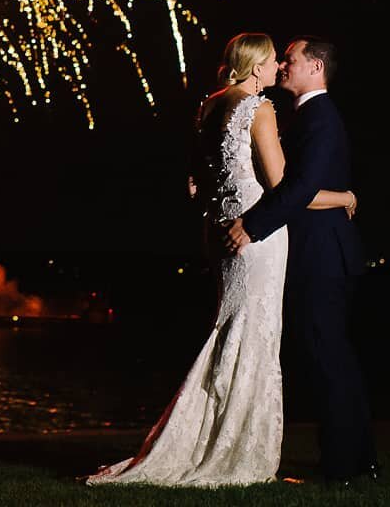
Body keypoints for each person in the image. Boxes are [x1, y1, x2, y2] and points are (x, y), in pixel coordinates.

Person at [87, 33, 355, 488]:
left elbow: (197, 182)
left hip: (219, 232)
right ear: (255, 69)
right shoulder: (259, 109)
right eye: (273, 62)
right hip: (257, 238)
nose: (279, 69)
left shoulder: (208, 106)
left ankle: (211, 436)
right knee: (255, 335)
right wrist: (341, 197)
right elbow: (283, 187)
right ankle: (239, 449)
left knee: (229, 328)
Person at [224, 37, 377, 485]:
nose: (283, 65)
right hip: (323, 253)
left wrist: (252, 225)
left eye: (290, 59)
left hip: (322, 256)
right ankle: (360, 460)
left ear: (314, 67)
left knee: (327, 360)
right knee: (335, 359)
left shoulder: (320, 118)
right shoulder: (305, 116)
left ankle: (340, 469)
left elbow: (300, 188)